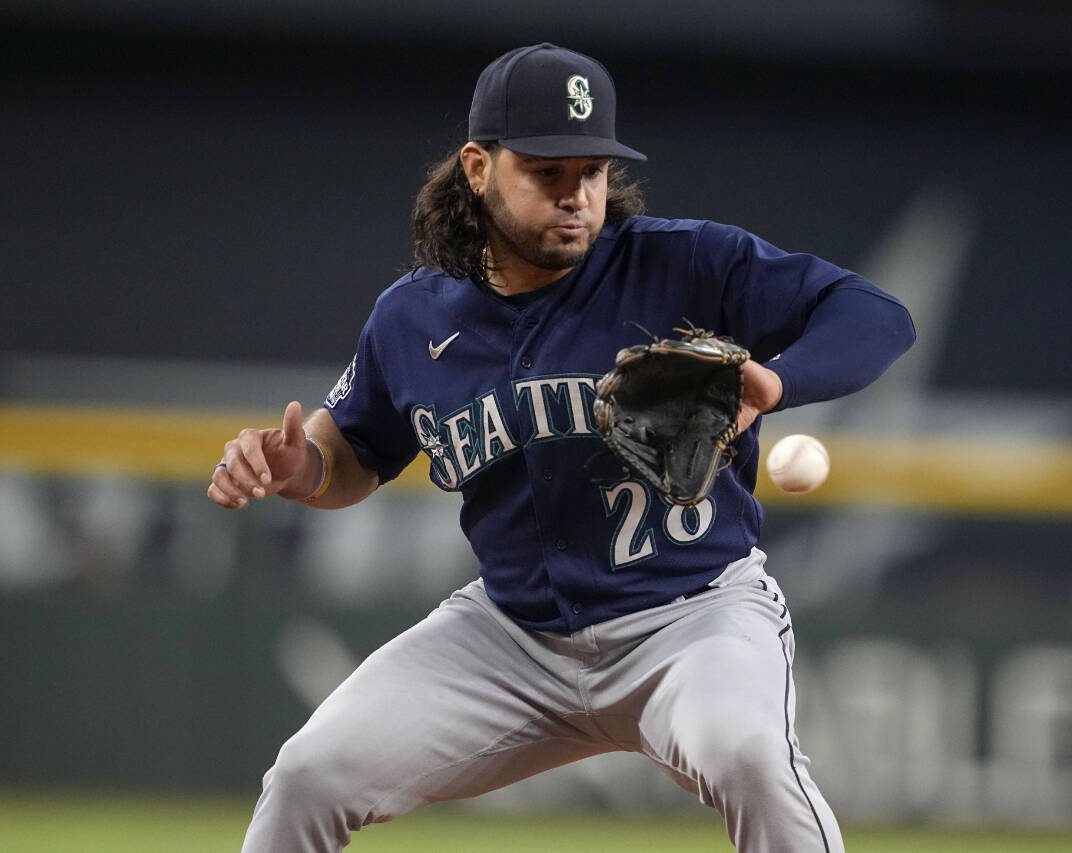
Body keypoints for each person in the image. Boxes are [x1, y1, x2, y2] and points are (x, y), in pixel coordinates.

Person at [209, 42, 915, 853]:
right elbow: (351, 453)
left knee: (751, 756)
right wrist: (297, 466)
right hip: (511, 638)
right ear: (479, 167)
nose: (576, 195)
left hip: (690, 619)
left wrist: (778, 382)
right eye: (547, 171)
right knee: (309, 775)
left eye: (591, 171)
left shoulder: (682, 262)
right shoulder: (415, 314)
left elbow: (877, 315)